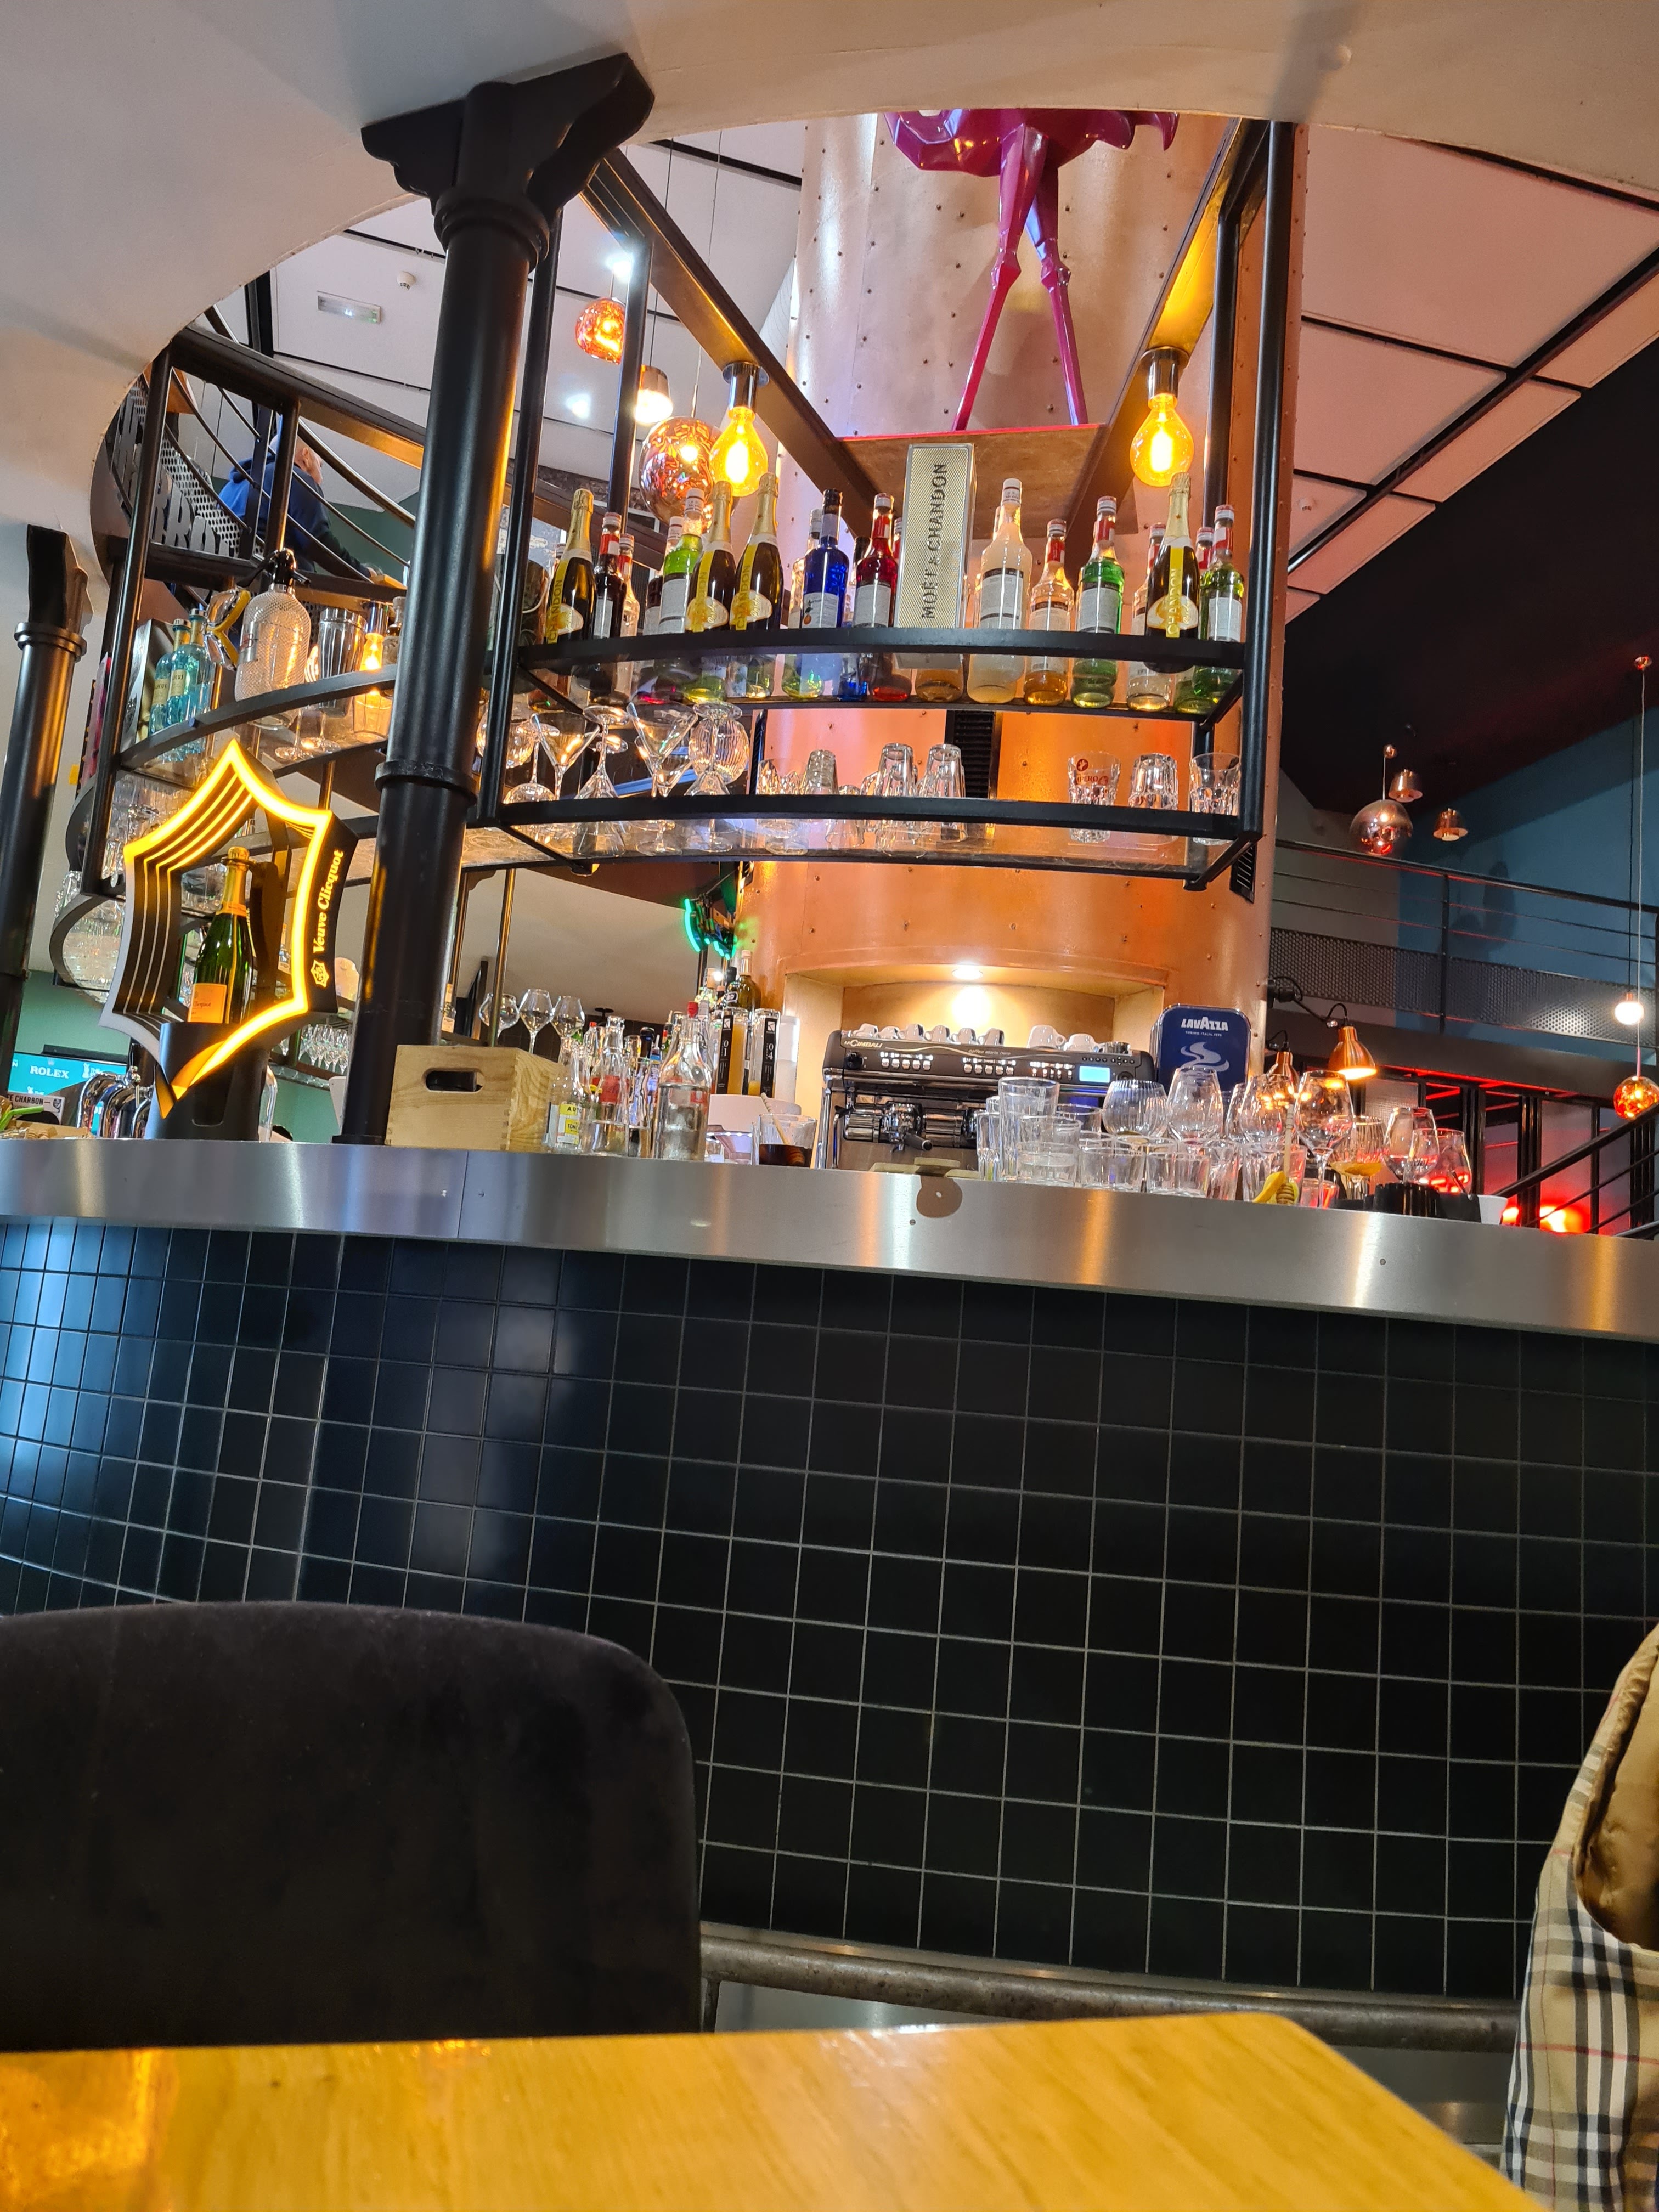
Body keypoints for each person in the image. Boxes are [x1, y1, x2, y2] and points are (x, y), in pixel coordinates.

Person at [219, 439, 363, 572]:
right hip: (273, 582)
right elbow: (318, 542)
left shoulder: (234, 486)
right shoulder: (294, 478)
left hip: (235, 577)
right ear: (306, 456)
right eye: (320, 465)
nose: (322, 478)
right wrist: (363, 574)